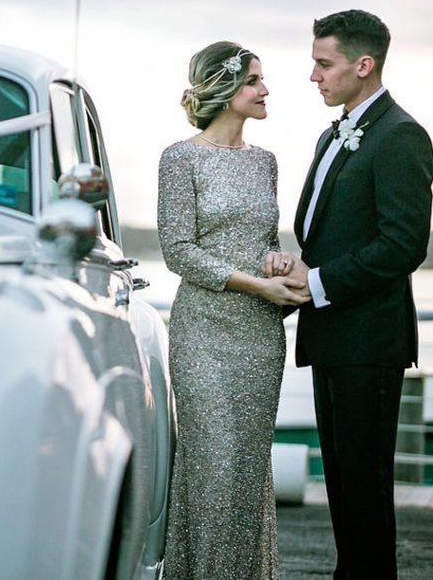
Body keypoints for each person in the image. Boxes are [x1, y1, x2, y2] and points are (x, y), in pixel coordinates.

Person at [265, 10, 433, 579]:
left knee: (363, 493)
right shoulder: (334, 131)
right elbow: (330, 230)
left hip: (369, 342)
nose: (314, 75)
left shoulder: (400, 135)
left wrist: (316, 284)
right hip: (333, 336)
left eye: (324, 63)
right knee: (342, 490)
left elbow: (403, 245)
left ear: (364, 65)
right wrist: (299, 267)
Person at [158, 40, 309, 579]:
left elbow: (261, 241)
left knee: (245, 471)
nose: (265, 90)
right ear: (224, 90)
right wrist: (253, 285)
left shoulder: (266, 162)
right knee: (213, 468)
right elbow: (179, 251)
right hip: (203, 332)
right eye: (254, 81)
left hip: (260, 336)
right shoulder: (181, 158)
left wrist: (276, 263)